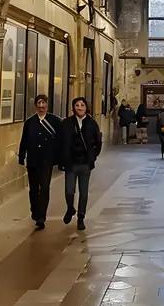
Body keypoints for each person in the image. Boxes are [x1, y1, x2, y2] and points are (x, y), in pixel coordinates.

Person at [18, 94, 63, 231]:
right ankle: (35, 211)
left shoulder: (55, 121)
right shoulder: (30, 122)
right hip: (32, 160)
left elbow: (60, 141)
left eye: (43, 103)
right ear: (36, 105)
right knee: (33, 188)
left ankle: (41, 216)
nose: (41, 106)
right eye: (39, 103)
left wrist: (60, 159)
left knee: (44, 187)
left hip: (46, 161)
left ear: (47, 105)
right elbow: (24, 140)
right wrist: (21, 156)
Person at [62, 97, 102, 231]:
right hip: (71, 162)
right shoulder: (67, 123)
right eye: (77, 105)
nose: (79, 108)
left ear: (86, 107)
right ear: (73, 108)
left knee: (83, 192)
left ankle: (81, 217)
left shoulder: (91, 123)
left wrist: (93, 156)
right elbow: (61, 143)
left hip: (85, 163)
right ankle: (70, 208)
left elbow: (98, 141)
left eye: (82, 105)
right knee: (69, 190)